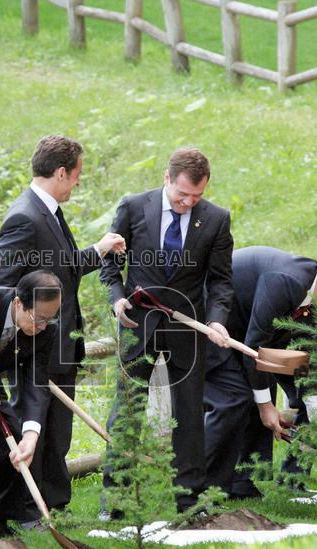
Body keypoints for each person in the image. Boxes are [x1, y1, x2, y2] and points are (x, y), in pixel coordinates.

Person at [0, 135, 126, 514]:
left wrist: (97, 251)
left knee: (57, 435)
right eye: (77, 174)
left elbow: (59, 270)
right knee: (34, 430)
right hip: (34, 344)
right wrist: (24, 327)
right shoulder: (24, 216)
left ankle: (52, 505)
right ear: (62, 172)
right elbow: (0, 282)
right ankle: (20, 510)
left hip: (59, 344)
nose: (79, 182)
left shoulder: (48, 210)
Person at [99, 147, 234, 515]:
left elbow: (221, 281)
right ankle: (116, 500)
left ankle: (189, 499)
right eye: (182, 194)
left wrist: (217, 319)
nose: (188, 202)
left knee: (189, 415)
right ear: (166, 178)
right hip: (137, 323)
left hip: (187, 328)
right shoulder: (133, 207)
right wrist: (116, 298)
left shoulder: (218, 220)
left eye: (197, 196)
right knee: (126, 410)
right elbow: (110, 265)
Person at [203, 247, 317, 498]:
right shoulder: (287, 283)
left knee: (272, 393)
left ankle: (264, 482)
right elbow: (256, 347)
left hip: (268, 343)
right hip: (219, 323)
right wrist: (265, 406)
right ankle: (206, 488)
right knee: (239, 397)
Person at [0, 271, 62, 536]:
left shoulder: (46, 329)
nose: (43, 326)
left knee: (14, 445)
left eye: (50, 319)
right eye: (38, 319)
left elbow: (35, 383)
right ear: (18, 303)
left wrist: (31, 433)